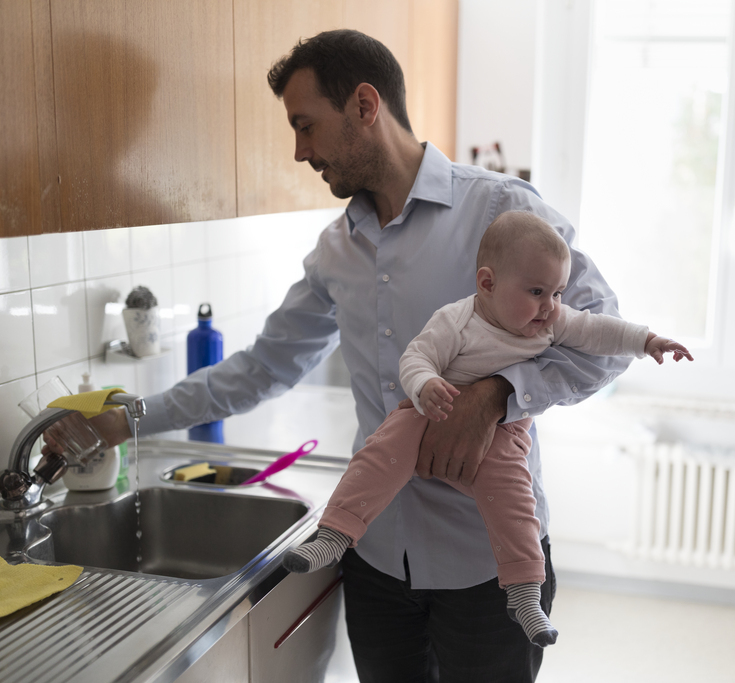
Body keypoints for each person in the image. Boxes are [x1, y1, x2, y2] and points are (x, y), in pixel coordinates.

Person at [59, 29, 639, 682]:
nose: (300, 151)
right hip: (378, 567)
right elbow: (261, 367)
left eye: (306, 126)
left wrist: (498, 392)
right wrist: (125, 418)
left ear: (366, 106)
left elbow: (605, 342)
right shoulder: (336, 252)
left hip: (488, 570)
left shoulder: (500, 211)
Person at [283, 210, 694, 649]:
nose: (551, 306)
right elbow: (415, 358)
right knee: (381, 451)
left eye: (556, 292)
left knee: (517, 502)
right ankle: (335, 534)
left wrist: (646, 340)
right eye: (537, 292)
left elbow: (596, 330)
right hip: (432, 407)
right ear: (487, 284)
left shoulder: (552, 322)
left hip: (504, 433)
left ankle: (523, 591)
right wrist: (426, 384)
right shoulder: (456, 320)